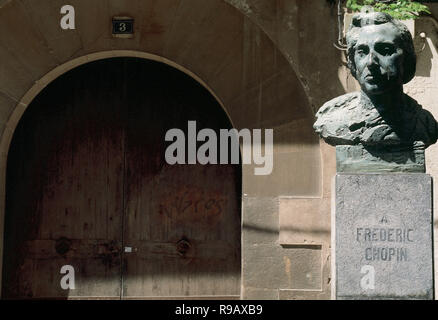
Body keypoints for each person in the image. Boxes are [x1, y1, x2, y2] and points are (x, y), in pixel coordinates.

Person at [313, 11, 438, 149]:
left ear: (407, 60)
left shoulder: (424, 124)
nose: (371, 62)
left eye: (385, 50)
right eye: (362, 52)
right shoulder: (332, 118)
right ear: (352, 64)